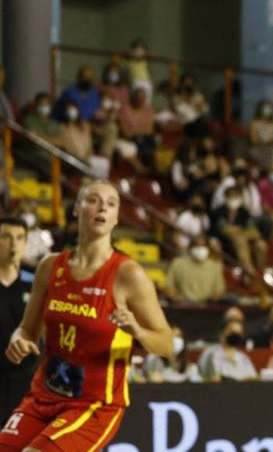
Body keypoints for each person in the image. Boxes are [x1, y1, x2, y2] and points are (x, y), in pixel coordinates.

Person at [2, 181, 174, 451]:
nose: (103, 207)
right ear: (77, 209)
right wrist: (18, 340)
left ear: (115, 218)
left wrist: (138, 332)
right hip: (43, 396)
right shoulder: (50, 267)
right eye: (94, 200)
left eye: (111, 204)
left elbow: (167, 344)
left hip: (94, 405)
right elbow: (27, 330)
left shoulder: (129, 275)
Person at [0, 218, 34, 423]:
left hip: (26, 381)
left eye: (20, 238)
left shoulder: (35, 284)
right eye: (6, 237)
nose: (13, 244)